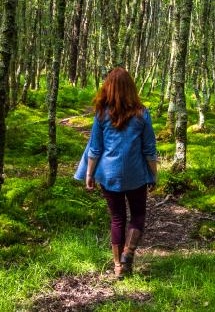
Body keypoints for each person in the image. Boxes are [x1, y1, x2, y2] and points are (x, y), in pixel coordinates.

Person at [74, 67, 158, 278]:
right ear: (131, 88)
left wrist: (89, 174)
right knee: (138, 214)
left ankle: (117, 267)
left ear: (108, 88)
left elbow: (95, 148)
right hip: (136, 174)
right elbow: (149, 149)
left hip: (108, 174)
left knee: (117, 218)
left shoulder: (102, 114)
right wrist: (153, 174)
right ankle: (128, 254)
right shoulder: (142, 113)